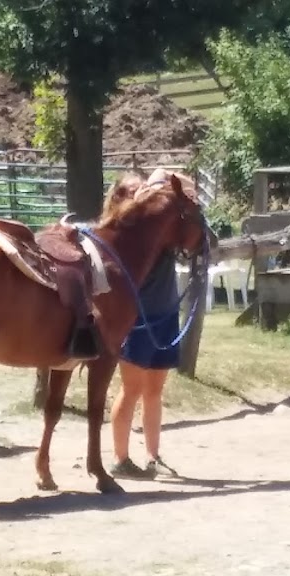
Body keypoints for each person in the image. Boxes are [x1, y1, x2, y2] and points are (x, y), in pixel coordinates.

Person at [108, 170, 187, 480]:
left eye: (143, 189)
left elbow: (188, 192)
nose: (142, 194)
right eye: (132, 190)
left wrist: (164, 176)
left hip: (165, 313)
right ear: (119, 198)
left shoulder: (159, 229)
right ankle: (120, 458)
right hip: (137, 319)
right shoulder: (123, 232)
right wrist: (147, 191)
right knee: (131, 389)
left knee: (154, 390)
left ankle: (153, 457)